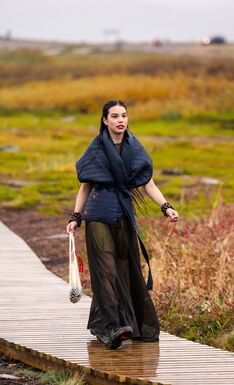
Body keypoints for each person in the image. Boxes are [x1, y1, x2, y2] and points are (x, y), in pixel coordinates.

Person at [66, 99, 179, 349]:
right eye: (115, 116)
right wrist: (75, 217)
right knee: (105, 270)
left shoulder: (133, 148)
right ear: (105, 120)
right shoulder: (96, 148)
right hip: (97, 216)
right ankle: (113, 327)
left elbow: (147, 183)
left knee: (127, 271)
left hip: (124, 216)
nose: (121, 120)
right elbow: (85, 186)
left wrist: (166, 207)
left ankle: (120, 325)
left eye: (124, 115)